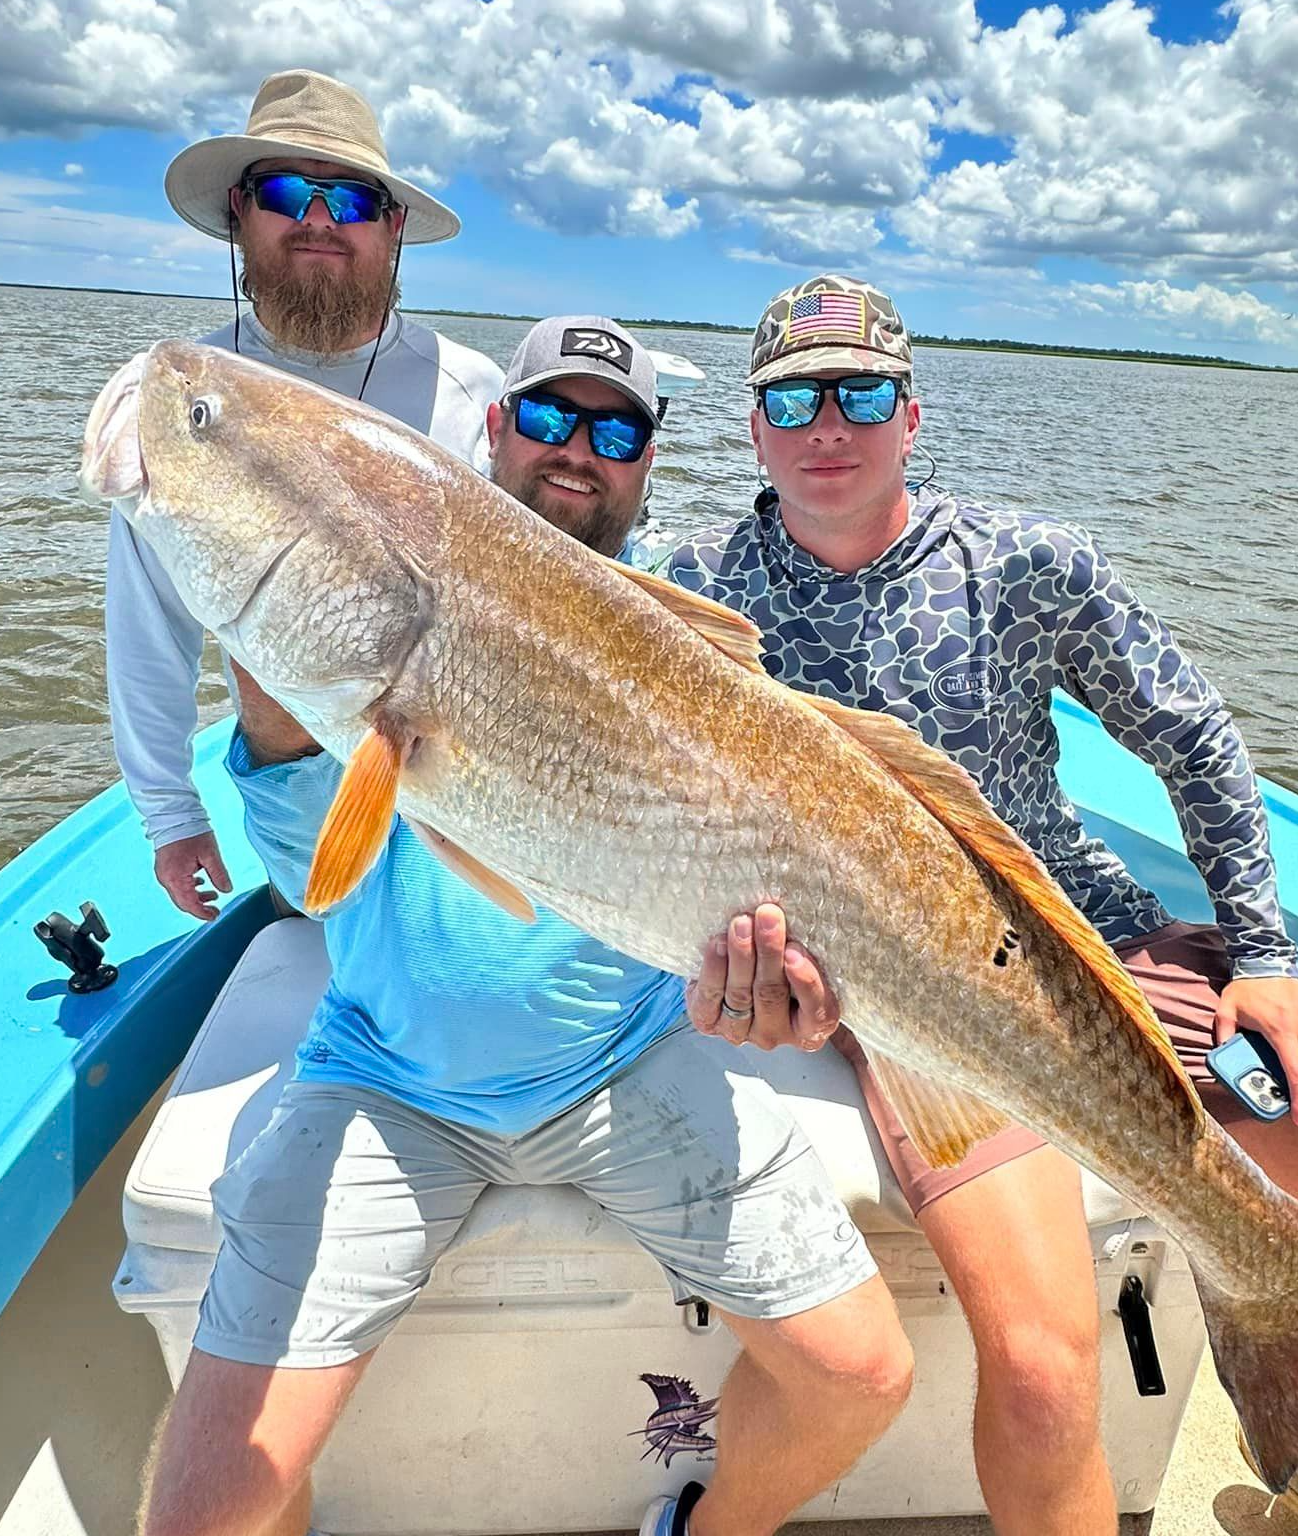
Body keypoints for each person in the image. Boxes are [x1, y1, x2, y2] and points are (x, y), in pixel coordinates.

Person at [664, 274, 1298, 1536]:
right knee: (1048, 1380)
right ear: (755, 426)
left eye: (862, 392)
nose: (829, 423)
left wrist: (1263, 955)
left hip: (1093, 934)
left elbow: (1194, 736)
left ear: (912, 415)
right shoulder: (701, 593)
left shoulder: (1027, 559)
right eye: (794, 398)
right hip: (907, 986)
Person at [135, 316, 914, 1536]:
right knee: (208, 1504)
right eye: (548, 415)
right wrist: (276, 684)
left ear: (650, 460)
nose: (576, 450)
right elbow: (311, 879)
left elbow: (769, 861)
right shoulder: (395, 583)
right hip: (386, 1080)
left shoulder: (683, 630)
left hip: (627, 1062)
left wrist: (777, 994)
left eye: (615, 429)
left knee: (864, 1374)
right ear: (495, 428)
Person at [107, 69, 502, 922]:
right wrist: (169, 815)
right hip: (299, 787)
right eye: (286, 191)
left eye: (353, 200)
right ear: (238, 215)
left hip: (475, 768)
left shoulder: (474, 393)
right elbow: (149, 629)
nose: (319, 220)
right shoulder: (182, 404)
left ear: (392, 226)